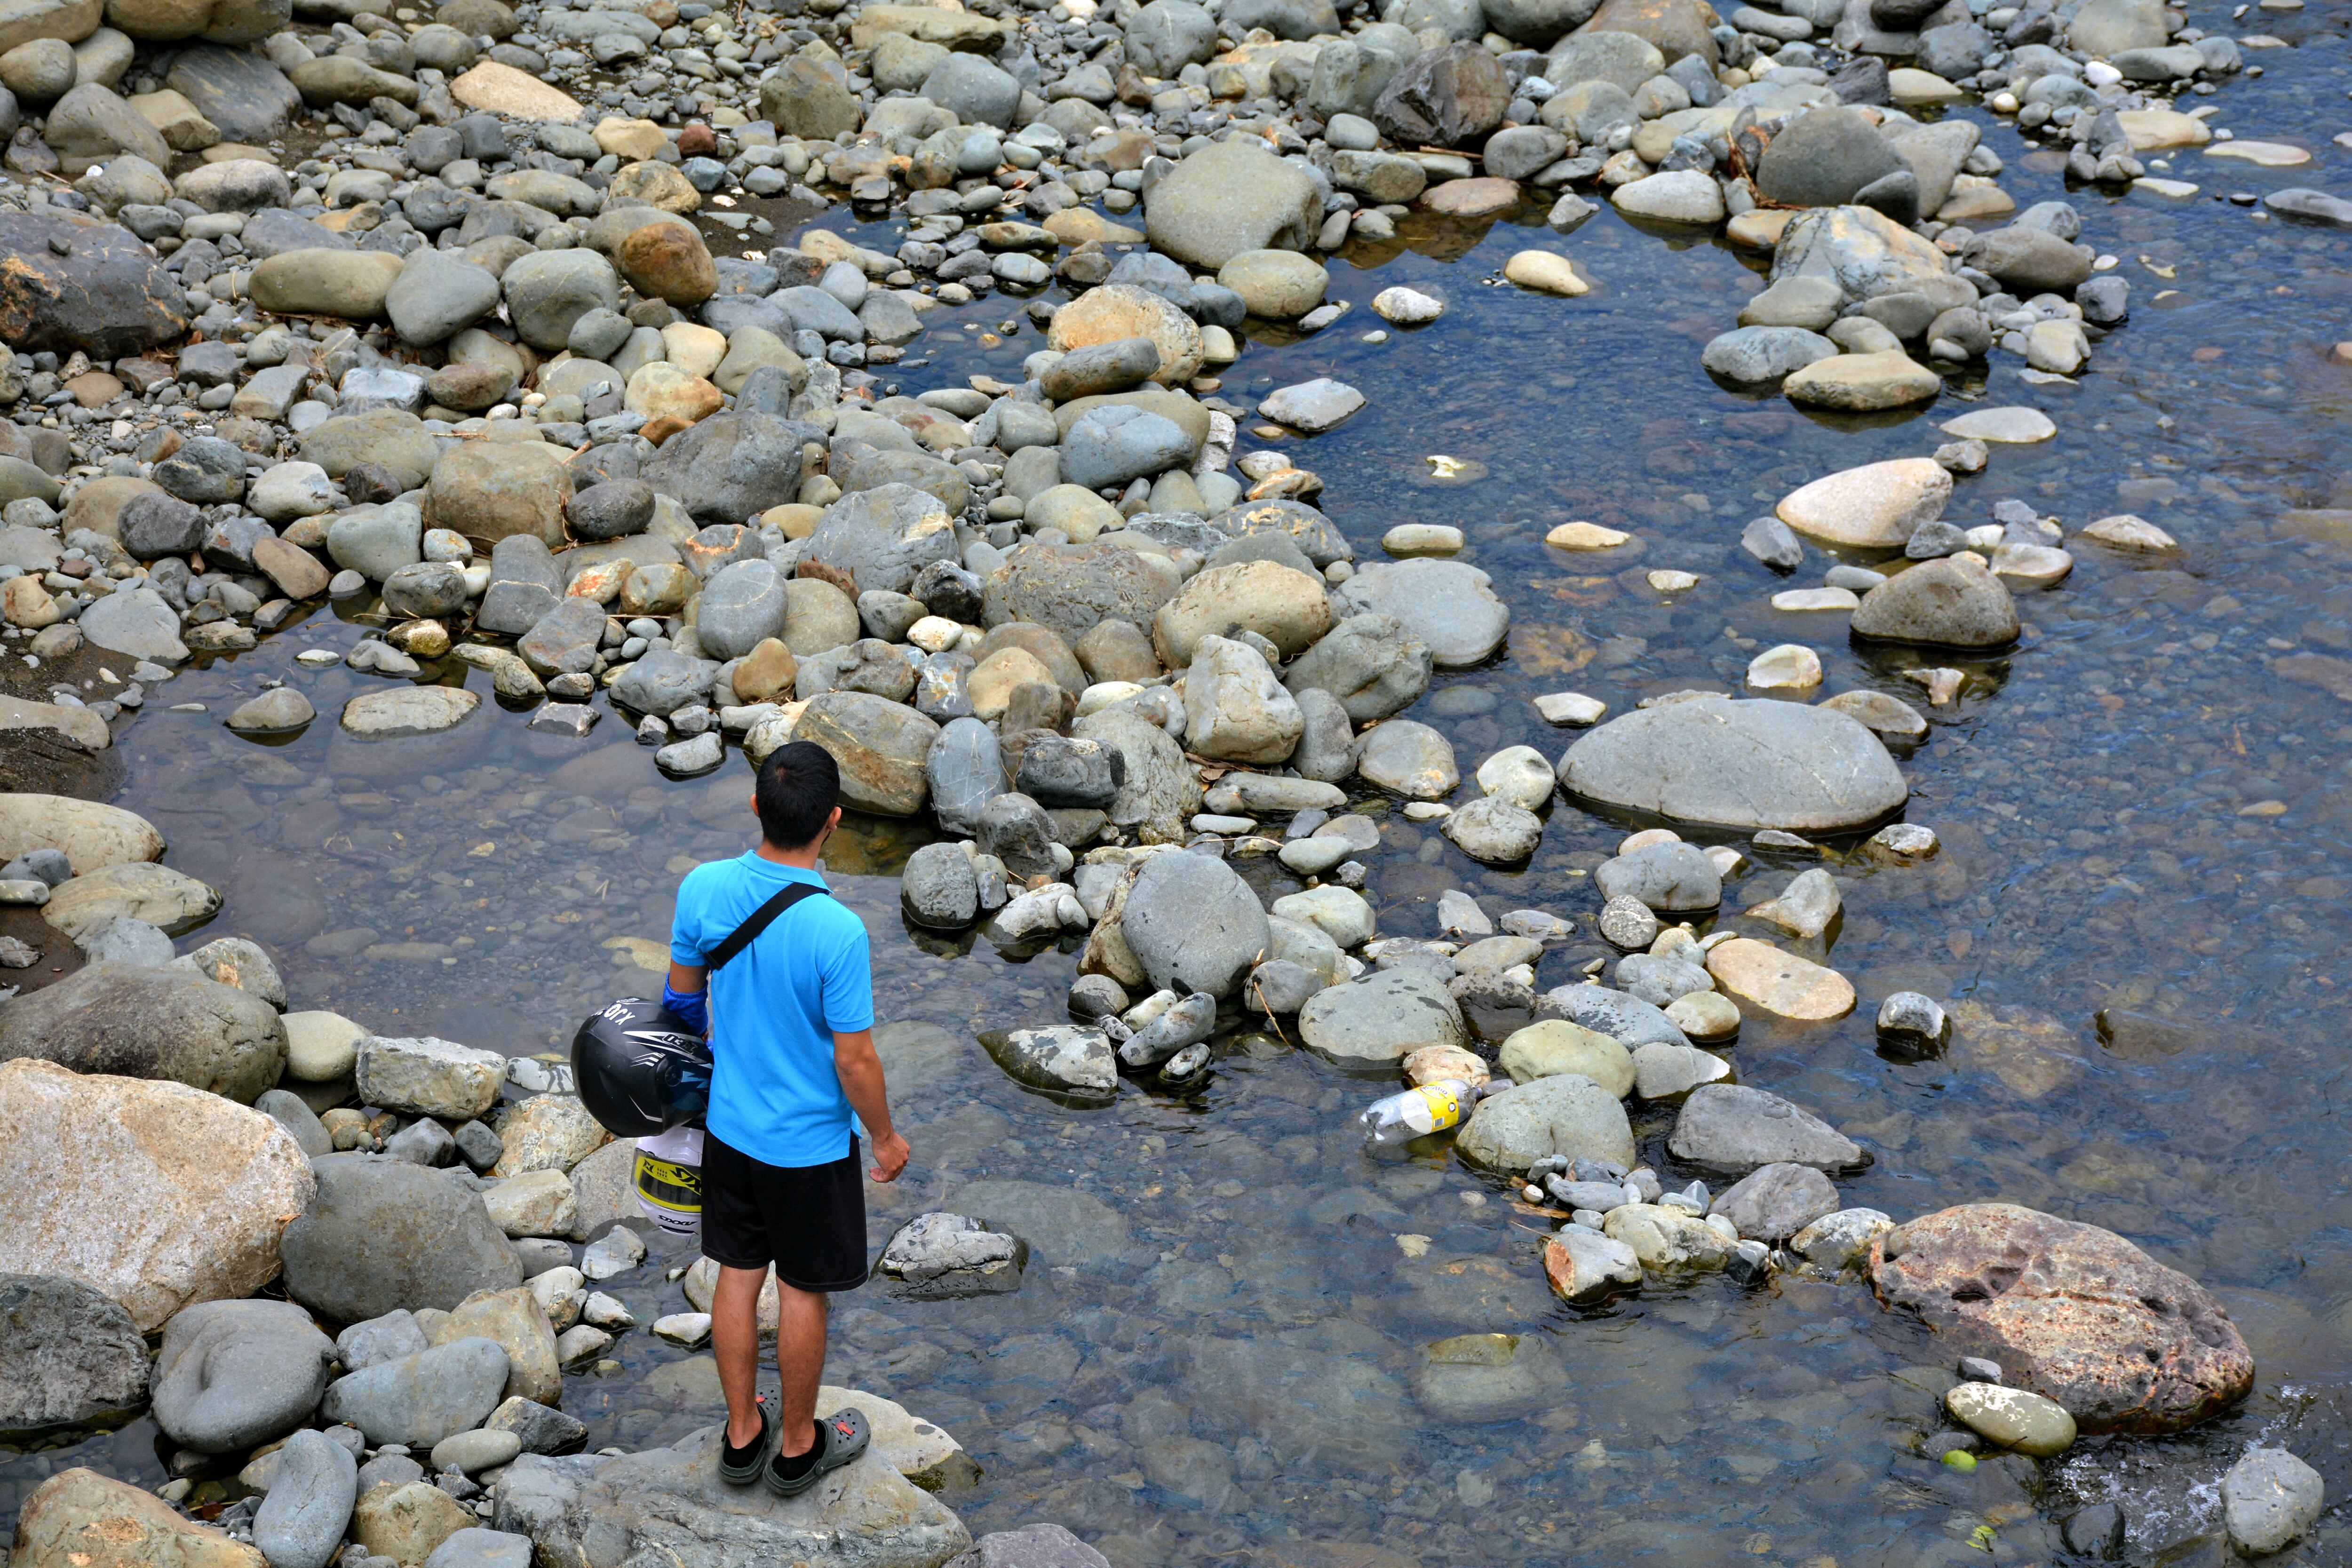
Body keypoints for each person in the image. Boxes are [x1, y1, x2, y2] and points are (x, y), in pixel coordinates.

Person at [663, 740, 911, 1495]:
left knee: (737, 1275)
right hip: (808, 1147)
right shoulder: (837, 931)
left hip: (730, 1131)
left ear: (754, 807)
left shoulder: (701, 889)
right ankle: (799, 1446)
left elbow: (679, 1006)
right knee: (803, 1289)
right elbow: (856, 1062)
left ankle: (742, 1437)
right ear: (834, 820)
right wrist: (886, 1136)